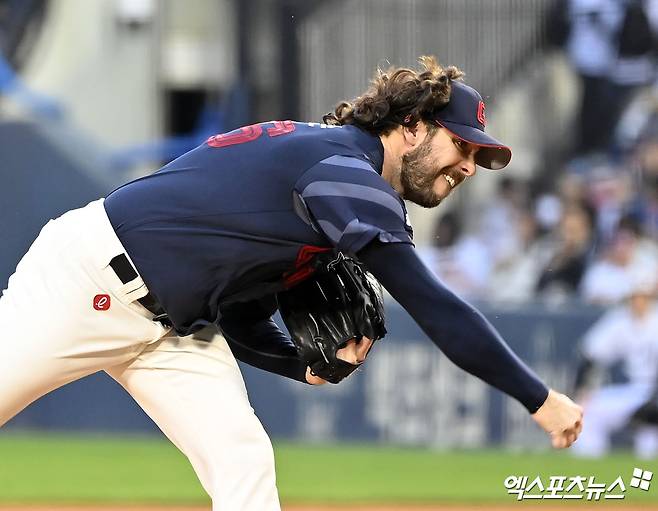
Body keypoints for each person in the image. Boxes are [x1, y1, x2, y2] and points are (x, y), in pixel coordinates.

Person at [0, 56, 582, 511]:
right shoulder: (343, 175)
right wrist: (540, 398)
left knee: (243, 460)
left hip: (175, 328)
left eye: (479, 157)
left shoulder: (325, 171)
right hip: (86, 282)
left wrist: (299, 365)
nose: (468, 167)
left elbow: (239, 312)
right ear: (411, 127)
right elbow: (435, 306)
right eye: (462, 145)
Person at [572, 276, 658, 458]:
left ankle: (649, 477)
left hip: (653, 392)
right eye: (635, 296)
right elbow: (590, 355)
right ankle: (589, 470)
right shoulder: (620, 320)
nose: (638, 301)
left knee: (650, 433)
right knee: (586, 412)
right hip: (633, 393)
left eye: (643, 296)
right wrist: (582, 390)